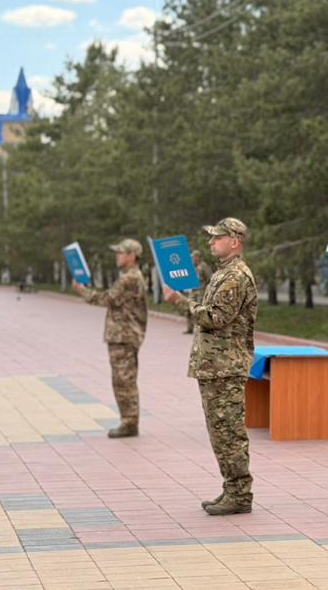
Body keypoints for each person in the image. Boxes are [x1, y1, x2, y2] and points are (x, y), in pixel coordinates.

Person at [165, 218, 258, 515]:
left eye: (217, 237)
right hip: (216, 366)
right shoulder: (224, 273)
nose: (210, 242)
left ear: (235, 241)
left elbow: (217, 318)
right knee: (220, 432)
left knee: (228, 432)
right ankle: (232, 488)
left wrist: (181, 303)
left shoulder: (234, 276)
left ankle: (240, 495)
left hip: (225, 367)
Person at [73, 238, 148, 439]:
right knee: (122, 379)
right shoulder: (131, 277)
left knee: (124, 380)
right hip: (123, 335)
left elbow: (106, 299)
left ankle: (130, 422)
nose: (117, 255)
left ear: (132, 256)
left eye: (121, 252)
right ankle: (128, 420)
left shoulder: (129, 279)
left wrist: (82, 290)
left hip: (125, 335)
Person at [183, 248, 215, 334]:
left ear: (198, 257)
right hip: (192, 291)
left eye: (194, 257)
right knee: (188, 310)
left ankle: (200, 329)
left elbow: (210, 279)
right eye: (192, 257)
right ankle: (189, 328)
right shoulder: (191, 266)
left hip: (201, 292)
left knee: (199, 311)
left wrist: (207, 291)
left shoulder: (204, 266)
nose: (193, 259)